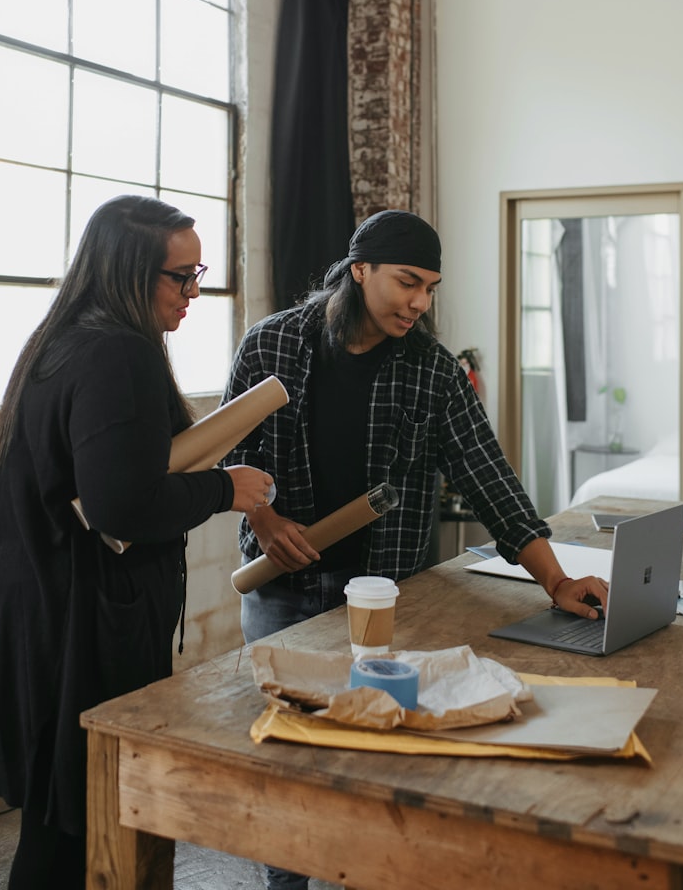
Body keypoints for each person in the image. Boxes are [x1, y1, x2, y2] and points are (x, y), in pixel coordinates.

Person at [221, 209, 609, 890]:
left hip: (383, 596)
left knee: (376, 758)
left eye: (430, 287)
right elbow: (233, 453)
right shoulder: (271, 345)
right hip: (281, 593)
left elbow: (489, 477)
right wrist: (268, 515)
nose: (420, 303)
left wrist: (555, 581)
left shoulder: (433, 371)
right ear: (359, 269)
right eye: (408, 282)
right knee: (287, 759)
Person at [0, 195, 274, 890]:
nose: (195, 290)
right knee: (82, 825)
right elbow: (122, 507)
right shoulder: (118, 352)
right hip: (80, 621)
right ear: (128, 272)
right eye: (181, 276)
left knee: (62, 826)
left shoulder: (66, 338)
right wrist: (229, 489)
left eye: (200, 273)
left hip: (47, 606)